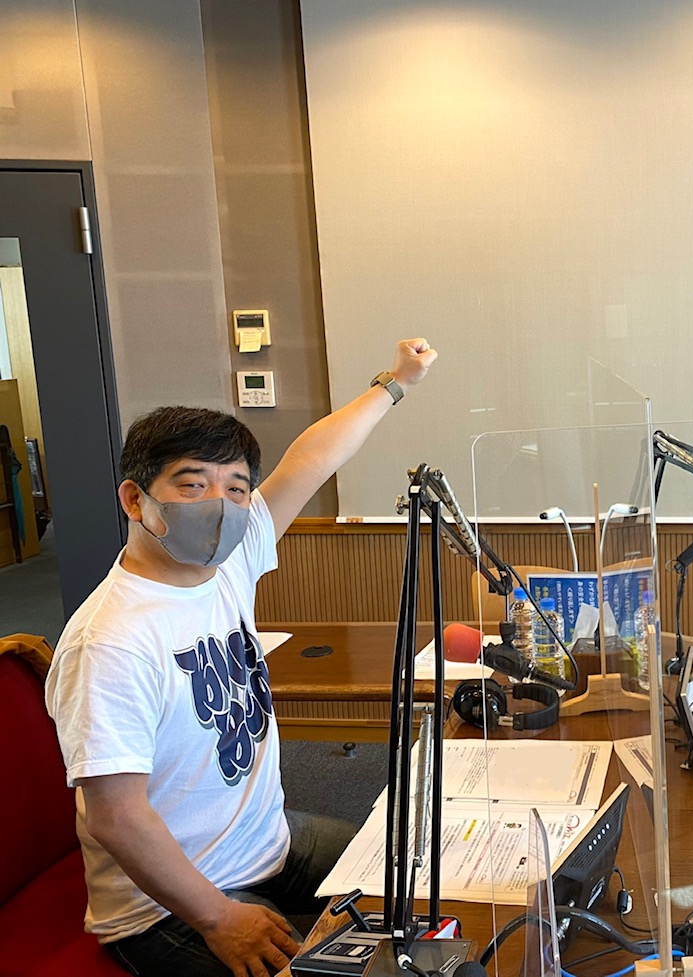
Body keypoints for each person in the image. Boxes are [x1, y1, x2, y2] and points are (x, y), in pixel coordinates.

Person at [45, 339, 437, 977]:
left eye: (236, 488)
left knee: (430, 883)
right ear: (135, 499)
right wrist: (218, 918)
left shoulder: (228, 561)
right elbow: (117, 817)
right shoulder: (109, 641)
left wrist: (398, 382)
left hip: (265, 841)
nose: (220, 506)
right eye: (192, 484)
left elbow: (311, 458)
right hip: (170, 903)